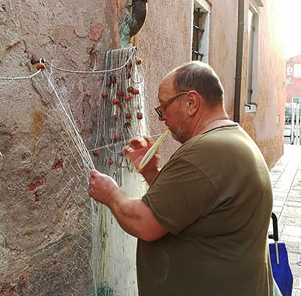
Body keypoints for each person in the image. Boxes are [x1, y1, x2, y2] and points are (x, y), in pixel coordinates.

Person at [88, 61, 274, 295]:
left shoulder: (206, 151)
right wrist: (151, 173)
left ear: (191, 102)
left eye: (163, 107)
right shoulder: (232, 139)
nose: (161, 117)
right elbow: (188, 210)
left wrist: (109, 193)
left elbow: (144, 223)